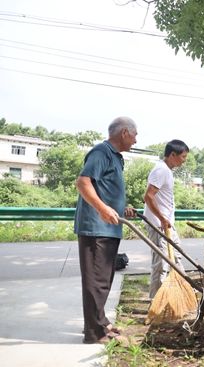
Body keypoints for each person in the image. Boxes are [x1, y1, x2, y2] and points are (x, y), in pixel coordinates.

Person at [74, 116, 138, 344]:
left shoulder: (115, 157)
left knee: (104, 279)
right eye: (134, 134)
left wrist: (123, 207)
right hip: (96, 228)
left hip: (109, 228)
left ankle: (101, 322)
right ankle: (94, 333)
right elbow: (83, 182)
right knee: (95, 281)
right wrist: (102, 209)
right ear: (124, 133)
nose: (135, 139)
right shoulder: (101, 152)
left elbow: (106, 188)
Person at [143, 139, 189, 299]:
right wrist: (162, 218)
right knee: (161, 265)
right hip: (159, 225)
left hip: (167, 225)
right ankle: (155, 304)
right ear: (172, 155)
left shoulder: (166, 170)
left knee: (176, 258)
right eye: (183, 157)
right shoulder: (161, 170)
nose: (184, 161)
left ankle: (182, 297)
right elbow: (148, 197)